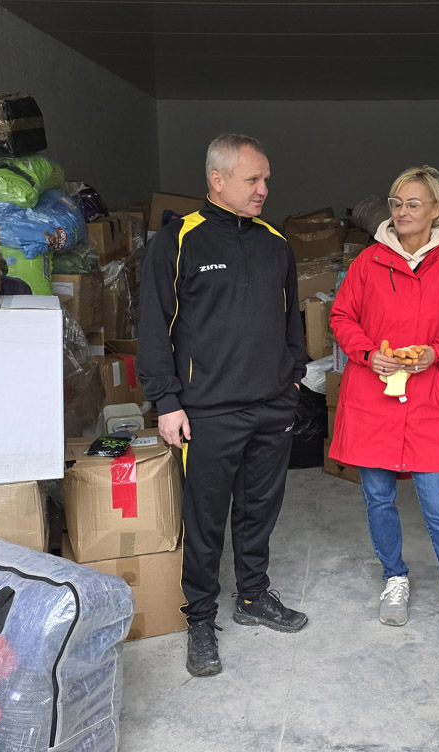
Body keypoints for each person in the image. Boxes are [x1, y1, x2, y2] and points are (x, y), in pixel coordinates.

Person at [136, 134, 309, 678]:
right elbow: (153, 326)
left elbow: (291, 321)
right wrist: (166, 401)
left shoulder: (275, 241)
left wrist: (292, 378)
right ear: (218, 180)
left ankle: (254, 597)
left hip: (270, 407)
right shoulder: (177, 242)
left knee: (259, 511)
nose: (264, 190)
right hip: (206, 411)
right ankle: (201, 620)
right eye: (253, 180)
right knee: (206, 521)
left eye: (266, 180)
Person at [330, 165, 439, 657]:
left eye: (412, 203)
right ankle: (394, 575)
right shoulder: (368, 262)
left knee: (438, 505)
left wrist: (435, 354)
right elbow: (341, 316)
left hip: (424, 399)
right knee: (377, 496)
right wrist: (365, 351)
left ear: (436, 210)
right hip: (373, 394)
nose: (401, 212)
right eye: (396, 203)